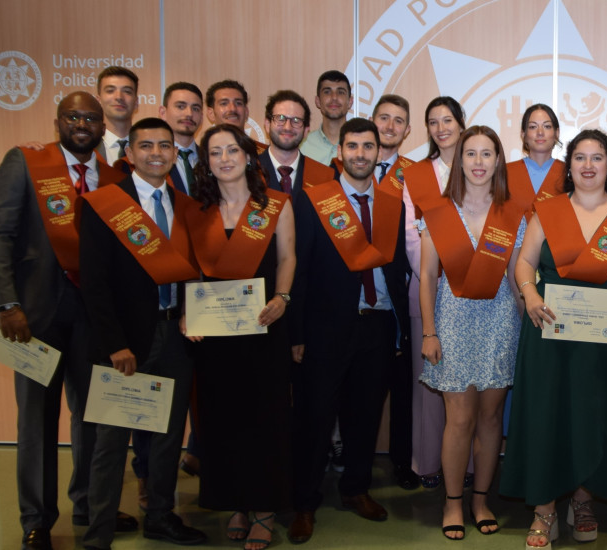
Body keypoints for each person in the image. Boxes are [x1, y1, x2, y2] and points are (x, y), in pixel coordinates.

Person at [0, 91, 134, 550]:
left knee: (94, 417)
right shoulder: (26, 163)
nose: (83, 124)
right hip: (31, 318)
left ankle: (88, 503)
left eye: (91, 118)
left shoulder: (113, 177)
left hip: (94, 319)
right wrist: (6, 304)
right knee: (36, 419)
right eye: (74, 116)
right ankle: (37, 519)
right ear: (58, 122)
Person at [501, 128, 607, 548]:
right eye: (579, 158)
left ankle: (583, 501)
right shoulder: (547, 212)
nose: (588, 165)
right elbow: (523, 263)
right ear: (567, 166)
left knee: (597, 416)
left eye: (597, 158)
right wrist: (531, 292)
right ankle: (544, 509)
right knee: (550, 416)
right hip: (553, 336)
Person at [79, 117, 208, 549]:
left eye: (165, 146)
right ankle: (98, 532)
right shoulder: (105, 204)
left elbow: (194, 273)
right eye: (147, 145)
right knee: (111, 442)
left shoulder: (185, 206)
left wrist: (193, 313)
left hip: (175, 336)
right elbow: (93, 284)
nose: (157, 153)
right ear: (129, 154)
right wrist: (114, 344)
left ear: (175, 153)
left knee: (169, 437)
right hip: (126, 343)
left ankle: (160, 515)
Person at [287, 117, 411, 543]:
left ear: (379, 153)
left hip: (376, 326)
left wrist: (400, 331)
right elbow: (298, 268)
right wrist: (296, 333)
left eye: (368, 146)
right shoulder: (314, 200)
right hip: (324, 328)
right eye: (353, 146)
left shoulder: (393, 203)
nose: (361, 154)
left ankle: (355, 489)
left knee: (364, 415)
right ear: (340, 153)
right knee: (315, 418)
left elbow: (398, 270)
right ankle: (304, 502)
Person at [181, 124, 296, 550]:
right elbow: (190, 271)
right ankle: (235, 503)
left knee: (264, 420)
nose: (225, 158)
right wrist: (185, 316)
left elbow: (288, 256)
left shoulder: (274, 206)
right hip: (213, 337)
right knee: (221, 420)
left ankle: (264, 509)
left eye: (233, 150)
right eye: (215, 152)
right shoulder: (197, 210)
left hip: (263, 326)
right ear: (206, 162)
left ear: (248, 156)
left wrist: (283, 297)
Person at [416, 126, 531, 540]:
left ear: (499, 161)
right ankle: (452, 503)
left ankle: (481, 499)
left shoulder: (513, 214)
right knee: (459, 419)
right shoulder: (438, 213)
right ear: (459, 161)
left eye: (487, 154)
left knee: (490, 419)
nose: (479, 162)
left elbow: (520, 278)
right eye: (471, 154)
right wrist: (429, 332)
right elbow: (428, 278)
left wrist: (530, 323)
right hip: (452, 323)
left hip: (500, 322)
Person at [402, 96, 469, 490]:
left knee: (469, 386)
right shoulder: (416, 175)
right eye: (433, 122)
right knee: (429, 381)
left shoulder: (479, 163)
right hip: (430, 289)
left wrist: (473, 276)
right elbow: (412, 238)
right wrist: (439, 276)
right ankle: (428, 464)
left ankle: (469, 465)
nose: (441, 127)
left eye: (448, 119)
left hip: (478, 293)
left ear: (462, 123)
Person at [370, 93, 420, 490]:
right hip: (354, 295)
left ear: (407, 130)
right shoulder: (347, 168)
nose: (389, 126)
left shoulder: (415, 175)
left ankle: (404, 461)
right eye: (383, 118)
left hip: (400, 294)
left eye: (397, 121)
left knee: (404, 387)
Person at [257, 90, 337, 197]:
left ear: (305, 131)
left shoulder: (324, 177)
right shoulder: (249, 172)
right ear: (267, 125)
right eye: (280, 118)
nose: (287, 127)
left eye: (296, 120)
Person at [507, 103, 565, 200]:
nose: (540, 133)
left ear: (557, 133)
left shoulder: (569, 173)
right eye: (533, 127)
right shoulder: (505, 173)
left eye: (547, 126)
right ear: (523, 134)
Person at [300, 70, 352, 165]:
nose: (334, 97)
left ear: (350, 101)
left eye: (340, 92)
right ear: (318, 101)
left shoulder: (360, 145)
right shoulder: (301, 145)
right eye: (327, 92)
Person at [205, 80, 266, 152]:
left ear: (246, 112)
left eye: (238, 103)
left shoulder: (264, 155)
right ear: (211, 113)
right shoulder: (202, 155)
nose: (232, 108)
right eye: (224, 103)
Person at [96, 66, 139, 166]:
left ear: (136, 102)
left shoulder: (150, 148)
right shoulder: (88, 149)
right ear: (99, 101)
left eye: (127, 91)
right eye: (110, 91)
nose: (119, 97)